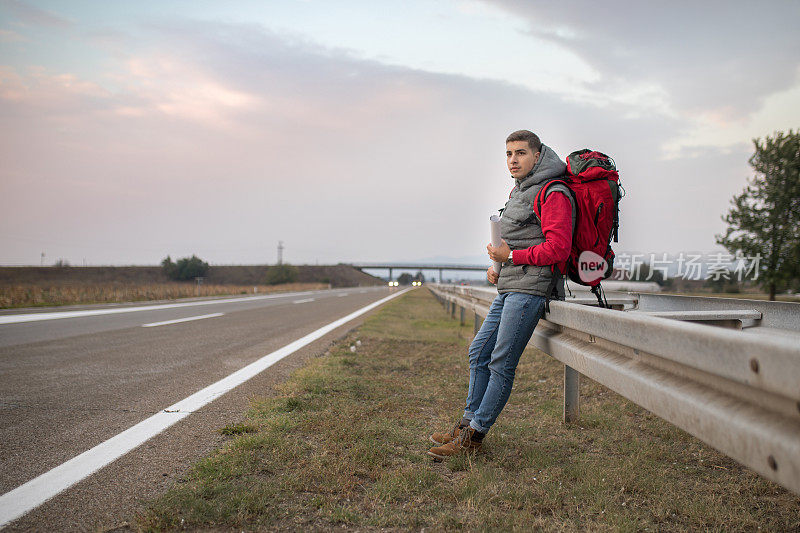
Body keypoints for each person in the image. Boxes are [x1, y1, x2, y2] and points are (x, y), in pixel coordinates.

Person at [427, 130, 575, 459]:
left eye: (520, 153)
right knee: (478, 352)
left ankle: (474, 438)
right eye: (508, 154)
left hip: (531, 290)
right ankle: (466, 424)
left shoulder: (555, 192)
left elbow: (559, 248)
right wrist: (499, 265)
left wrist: (512, 258)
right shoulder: (518, 190)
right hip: (509, 284)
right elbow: (518, 241)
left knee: (501, 363)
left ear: (538, 155)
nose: (512, 160)